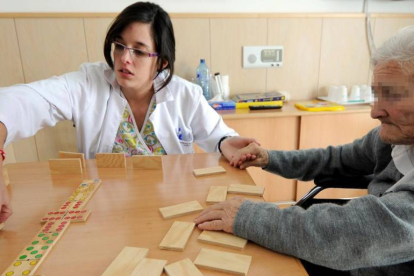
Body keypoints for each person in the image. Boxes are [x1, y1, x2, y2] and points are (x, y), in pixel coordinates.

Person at [0, 2, 257, 223]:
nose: (124, 59)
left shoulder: (184, 94)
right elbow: (22, 102)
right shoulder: (88, 84)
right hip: (105, 216)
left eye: (139, 51)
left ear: (162, 61)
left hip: (175, 211)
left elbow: (217, 135)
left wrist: (225, 142)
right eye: (120, 46)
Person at [195, 25, 414, 276]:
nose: (375, 112)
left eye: (393, 96)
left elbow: (353, 235)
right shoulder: (394, 136)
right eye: (377, 95)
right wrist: (269, 158)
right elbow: (335, 159)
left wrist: (248, 217)